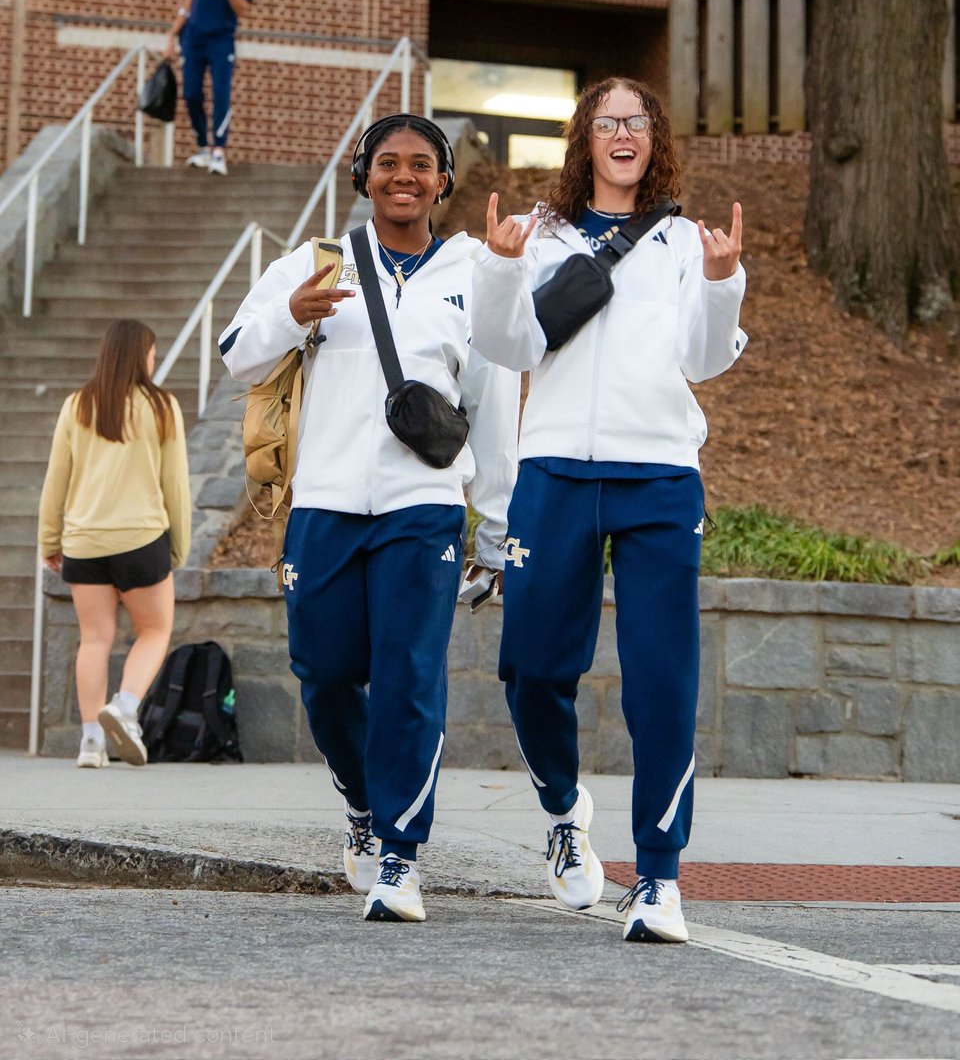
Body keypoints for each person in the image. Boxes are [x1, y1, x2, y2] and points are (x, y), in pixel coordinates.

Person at [219, 114, 519, 923]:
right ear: (364, 175)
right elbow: (236, 352)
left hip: (421, 509)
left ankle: (399, 854)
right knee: (321, 670)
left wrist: (492, 529)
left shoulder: (473, 273)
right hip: (323, 502)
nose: (405, 177)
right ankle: (360, 799)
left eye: (422, 165)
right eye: (388, 163)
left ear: (443, 182)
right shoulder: (314, 264)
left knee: (409, 678)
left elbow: (492, 411)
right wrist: (291, 313)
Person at [471, 77, 747, 944]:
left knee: (661, 681)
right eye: (605, 121)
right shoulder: (542, 236)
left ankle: (660, 879)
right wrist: (503, 267)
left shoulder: (679, 242)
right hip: (552, 472)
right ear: (584, 139)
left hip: (659, 477)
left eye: (636, 121)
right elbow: (508, 346)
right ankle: (563, 809)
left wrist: (722, 279)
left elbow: (703, 361)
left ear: (652, 137)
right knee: (531, 669)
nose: (621, 133)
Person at [38, 320, 191, 769]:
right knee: (155, 630)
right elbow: (176, 486)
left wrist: (50, 538)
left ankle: (90, 743)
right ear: (141, 356)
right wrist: (177, 548)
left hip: (84, 542)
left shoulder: (77, 405)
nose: (154, 361)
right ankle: (125, 707)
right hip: (141, 541)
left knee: (95, 639)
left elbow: (56, 480)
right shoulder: (161, 406)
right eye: (153, 354)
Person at [163, 0, 253, 177]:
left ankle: (219, 150)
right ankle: (203, 145)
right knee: (191, 93)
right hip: (193, 39)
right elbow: (187, 4)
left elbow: (243, 9)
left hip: (221, 41)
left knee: (220, 93)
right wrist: (172, 35)